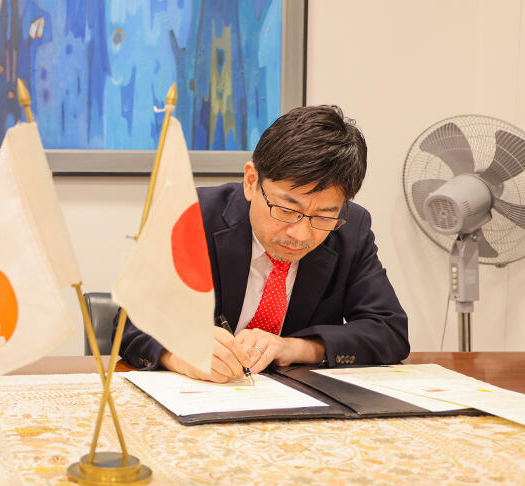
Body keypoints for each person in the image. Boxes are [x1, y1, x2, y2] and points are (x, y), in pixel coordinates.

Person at [120, 105, 409, 382]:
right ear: (250, 181)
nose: (301, 234)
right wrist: (180, 352)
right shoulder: (195, 216)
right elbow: (132, 320)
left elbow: (389, 331)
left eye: (323, 215)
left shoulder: (351, 230)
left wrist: (296, 347)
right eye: (286, 210)